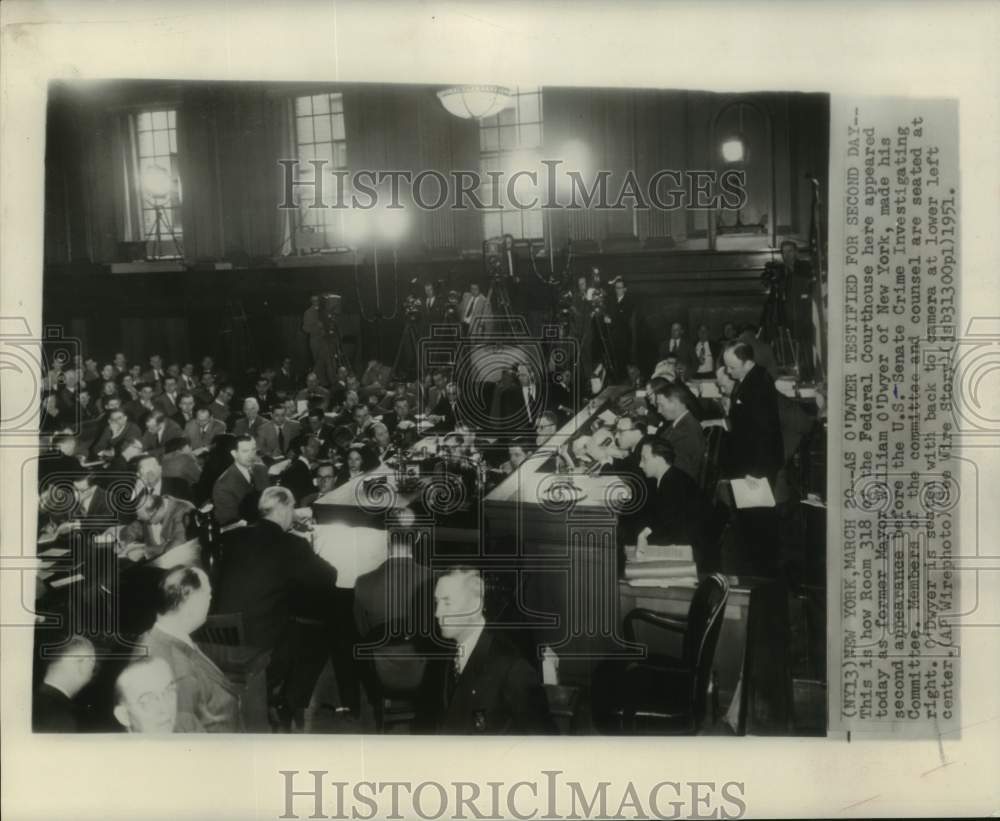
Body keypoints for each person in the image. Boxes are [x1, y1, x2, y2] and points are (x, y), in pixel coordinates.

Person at [211, 487, 339, 709]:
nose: (294, 514)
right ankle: (289, 705)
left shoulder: (231, 538)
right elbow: (328, 576)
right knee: (321, 631)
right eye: (292, 508)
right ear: (283, 509)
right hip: (257, 650)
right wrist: (309, 550)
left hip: (217, 644)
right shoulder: (292, 545)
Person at [419, 567, 554, 734]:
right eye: (437, 602)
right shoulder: (444, 656)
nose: (437, 612)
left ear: (475, 605)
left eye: (447, 602)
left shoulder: (512, 668)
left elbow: (544, 741)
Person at [135, 566, 240, 732]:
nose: (211, 597)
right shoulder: (178, 673)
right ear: (192, 604)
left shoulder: (152, 636)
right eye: (208, 593)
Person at [636, 436, 702, 547]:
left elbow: (668, 531)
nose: (640, 464)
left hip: (686, 548)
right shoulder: (670, 476)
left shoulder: (674, 486)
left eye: (644, 459)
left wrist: (642, 533)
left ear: (660, 459)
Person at [112, 656, 198, 733]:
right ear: (124, 716)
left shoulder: (190, 729)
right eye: (148, 701)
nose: (165, 708)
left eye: (169, 692)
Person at [32, 635, 97, 732]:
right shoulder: (63, 717)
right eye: (93, 664)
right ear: (83, 664)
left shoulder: (29, 702)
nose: (93, 673)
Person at [776, 240, 817, 380]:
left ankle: (810, 376)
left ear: (796, 252)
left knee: (806, 348)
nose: (786, 255)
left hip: (805, 315)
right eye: (784, 252)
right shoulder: (782, 272)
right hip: (790, 318)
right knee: (792, 349)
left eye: (790, 251)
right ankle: (799, 375)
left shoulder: (804, 267)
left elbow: (809, 288)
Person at [652, 382, 706, 483]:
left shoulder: (687, 431)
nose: (658, 410)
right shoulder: (680, 423)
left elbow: (677, 472)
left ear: (675, 403)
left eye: (661, 405)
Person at [211, 435, 269, 526]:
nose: (251, 455)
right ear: (234, 454)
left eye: (253, 450)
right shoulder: (223, 485)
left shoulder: (261, 469)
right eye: (245, 451)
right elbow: (230, 522)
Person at [119, 493, 197, 561]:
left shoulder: (184, 511)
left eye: (147, 520)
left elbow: (174, 548)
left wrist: (144, 550)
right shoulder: (157, 507)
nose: (146, 523)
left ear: (154, 512)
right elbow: (137, 530)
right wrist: (126, 541)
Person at [606, 276, 637, 380]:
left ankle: (622, 380)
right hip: (612, 337)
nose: (617, 290)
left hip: (623, 337)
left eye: (620, 288)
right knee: (613, 361)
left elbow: (624, 318)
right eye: (616, 288)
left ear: (625, 289)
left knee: (622, 361)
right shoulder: (611, 301)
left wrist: (612, 320)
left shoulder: (629, 302)